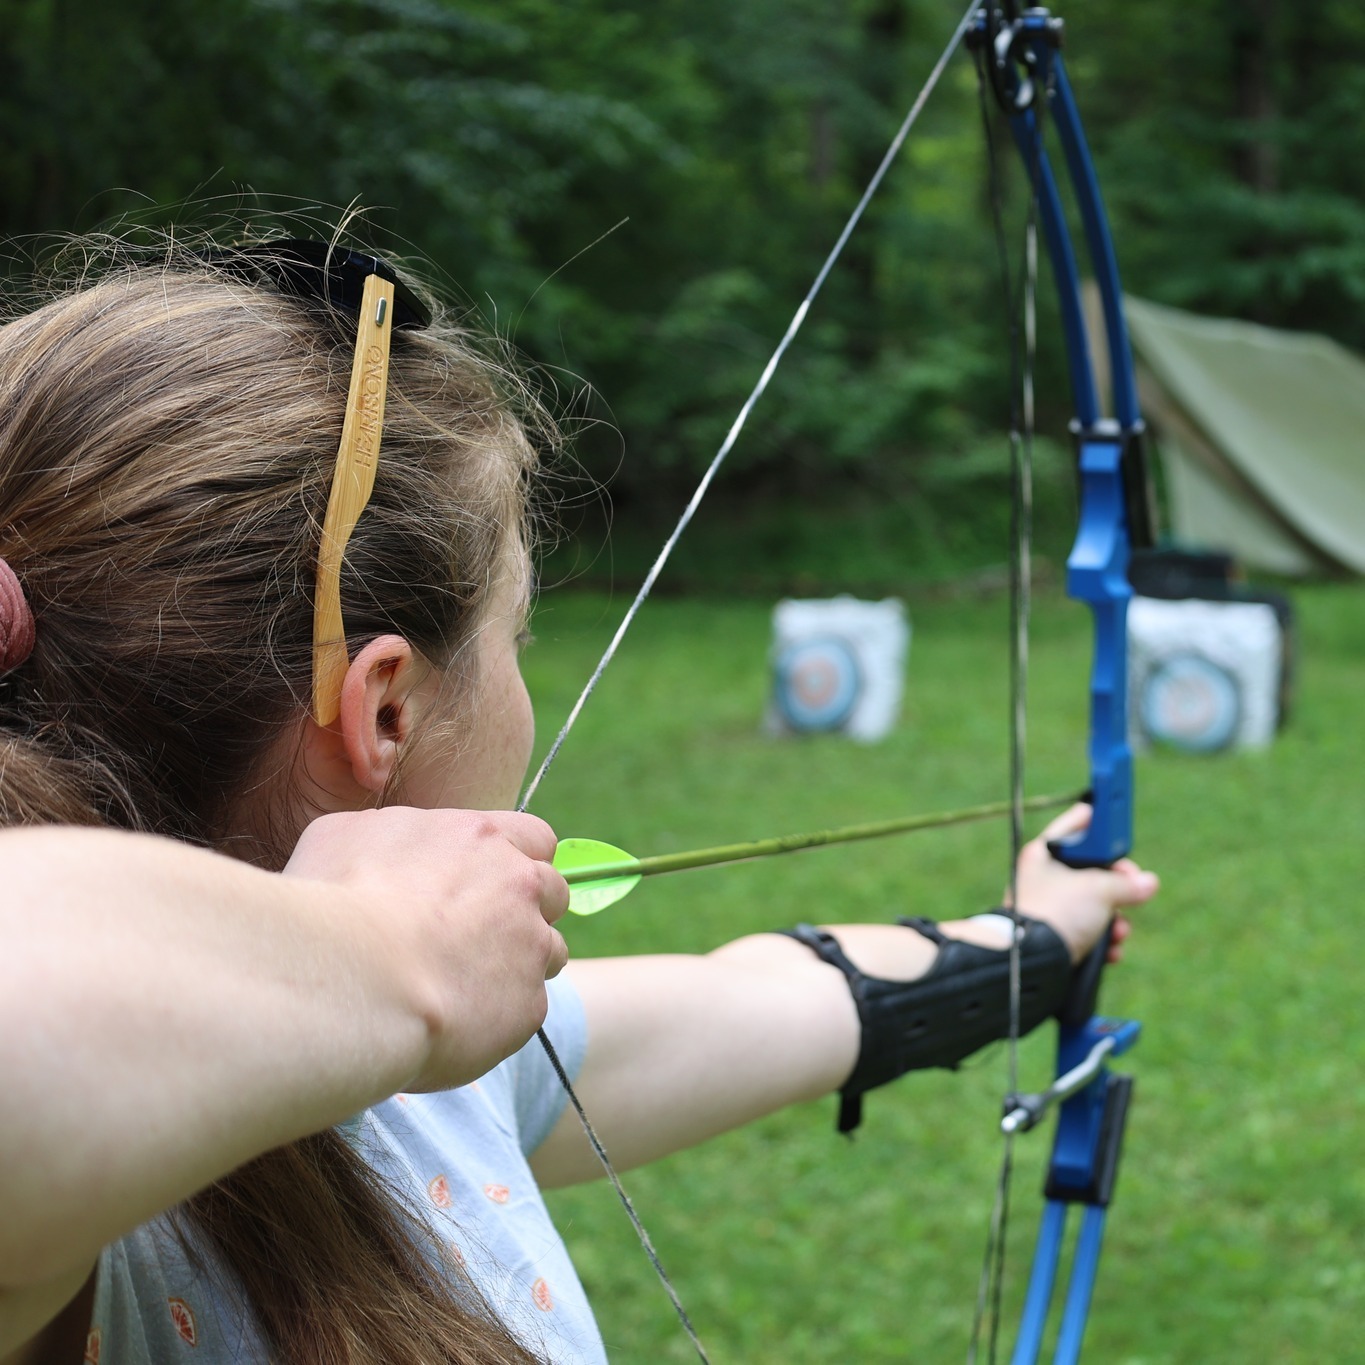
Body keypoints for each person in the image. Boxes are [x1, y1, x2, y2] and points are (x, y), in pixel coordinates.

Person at [0, 234, 1158, 1365]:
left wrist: (1031, 939)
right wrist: (390, 951)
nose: (527, 676)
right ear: (386, 712)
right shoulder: (92, 1237)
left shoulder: (433, 1062)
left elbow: (751, 1001)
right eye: (520, 634)